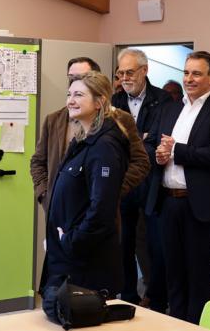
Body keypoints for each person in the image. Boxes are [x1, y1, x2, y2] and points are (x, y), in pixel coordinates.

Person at [42, 72, 130, 320]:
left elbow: (101, 210)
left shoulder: (105, 146)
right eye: (69, 94)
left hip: (86, 263)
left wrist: (71, 241)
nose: (70, 100)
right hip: (67, 258)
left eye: (79, 95)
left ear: (99, 102)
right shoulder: (84, 140)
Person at [146, 51, 210, 324]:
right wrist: (159, 154)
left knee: (197, 275)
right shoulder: (169, 108)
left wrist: (176, 150)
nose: (189, 79)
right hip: (167, 202)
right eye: (186, 72)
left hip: (198, 205)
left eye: (197, 73)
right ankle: (175, 326)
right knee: (172, 272)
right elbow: (153, 143)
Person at [30, 57, 149, 215]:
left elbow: (140, 162)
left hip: (98, 211)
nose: (77, 82)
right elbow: (38, 162)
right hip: (60, 209)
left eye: (82, 77)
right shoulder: (54, 120)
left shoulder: (119, 121)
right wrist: (46, 195)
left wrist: (110, 190)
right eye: (72, 78)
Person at [112, 49, 170, 309]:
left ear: (144, 70)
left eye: (130, 72)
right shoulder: (113, 102)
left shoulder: (164, 100)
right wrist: (141, 138)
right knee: (122, 242)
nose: (125, 78)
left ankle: (156, 298)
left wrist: (136, 142)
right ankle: (127, 295)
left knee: (154, 243)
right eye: (121, 73)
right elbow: (111, 144)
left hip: (151, 183)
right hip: (122, 183)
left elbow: (158, 142)